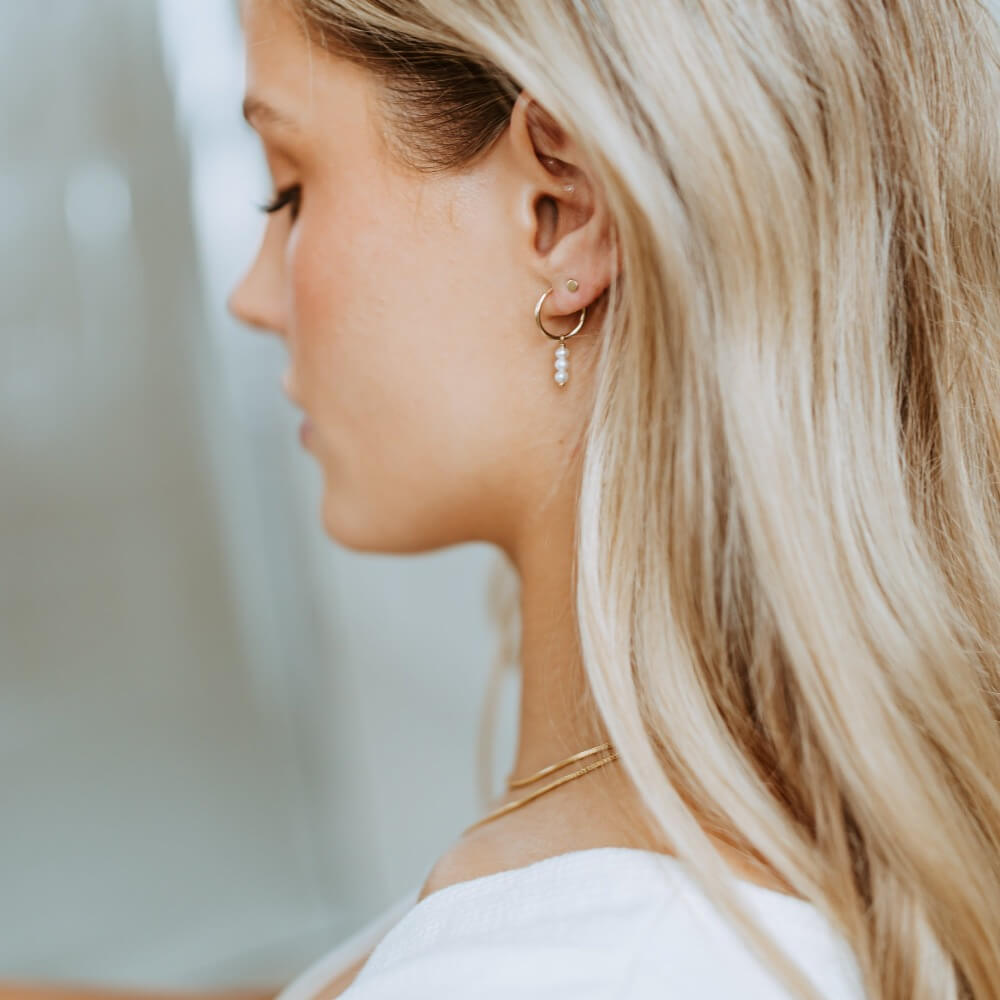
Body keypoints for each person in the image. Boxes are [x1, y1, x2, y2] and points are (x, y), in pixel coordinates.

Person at [7, 0, 1000, 997]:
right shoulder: (712, 882)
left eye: (292, 190)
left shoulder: (575, 961)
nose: (252, 296)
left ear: (559, 214)